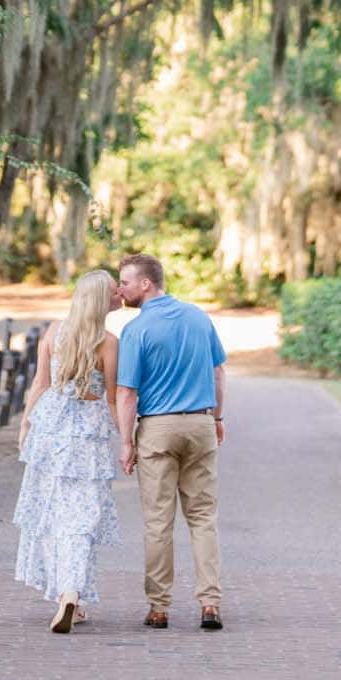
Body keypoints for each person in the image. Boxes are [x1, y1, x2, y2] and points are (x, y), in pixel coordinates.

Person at [115, 252, 227, 631]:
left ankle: (159, 608)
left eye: (125, 282)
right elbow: (218, 371)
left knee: (158, 522)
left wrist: (126, 443)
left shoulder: (136, 330)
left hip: (158, 430)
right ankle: (210, 603)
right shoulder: (198, 316)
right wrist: (218, 417)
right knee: (203, 518)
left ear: (145, 283)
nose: (121, 289)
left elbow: (126, 393)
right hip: (200, 424)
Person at [13, 270, 121, 633]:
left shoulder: (55, 330)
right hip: (86, 436)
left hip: (50, 430)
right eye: (113, 291)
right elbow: (111, 396)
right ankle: (73, 592)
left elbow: (40, 383)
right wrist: (127, 438)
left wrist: (26, 423)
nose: (119, 295)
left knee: (54, 515)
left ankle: (66, 595)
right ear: (102, 300)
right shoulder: (108, 341)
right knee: (82, 519)